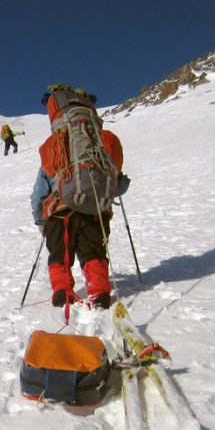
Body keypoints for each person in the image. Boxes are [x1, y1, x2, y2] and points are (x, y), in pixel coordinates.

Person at [30, 122, 125, 310]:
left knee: (60, 254)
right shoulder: (100, 146)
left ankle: (62, 293)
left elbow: (38, 195)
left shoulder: (54, 149)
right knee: (94, 252)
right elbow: (117, 186)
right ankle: (99, 293)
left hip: (59, 213)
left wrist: (41, 221)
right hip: (94, 210)